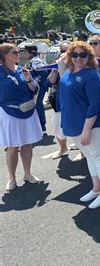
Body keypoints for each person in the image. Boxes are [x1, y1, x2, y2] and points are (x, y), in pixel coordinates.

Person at [58, 41, 100, 209]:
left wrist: (86, 130)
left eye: (83, 55)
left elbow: (95, 105)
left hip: (91, 125)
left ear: (89, 56)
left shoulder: (93, 75)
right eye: (74, 55)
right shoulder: (68, 71)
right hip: (74, 123)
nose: (78, 58)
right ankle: (96, 188)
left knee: (99, 156)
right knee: (89, 156)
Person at [0, 43, 42, 191]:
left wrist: (28, 79)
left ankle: (27, 174)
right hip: (10, 113)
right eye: (15, 52)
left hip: (28, 111)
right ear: (5, 56)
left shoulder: (22, 70)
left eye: (19, 52)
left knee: (27, 144)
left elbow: (34, 89)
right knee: (12, 147)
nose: (18, 54)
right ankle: (12, 178)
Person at [48, 42, 70, 159]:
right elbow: (50, 81)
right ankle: (63, 148)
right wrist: (55, 69)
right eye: (62, 51)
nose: (64, 54)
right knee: (56, 125)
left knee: (76, 127)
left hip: (72, 102)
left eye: (67, 51)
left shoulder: (75, 65)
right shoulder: (57, 65)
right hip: (58, 101)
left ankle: (83, 152)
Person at [23, 43, 49, 133]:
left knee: (37, 105)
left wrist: (36, 82)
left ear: (31, 52)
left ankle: (41, 127)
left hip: (39, 87)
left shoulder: (35, 60)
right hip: (37, 87)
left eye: (25, 51)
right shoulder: (32, 60)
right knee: (36, 105)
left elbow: (44, 72)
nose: (24, 54)